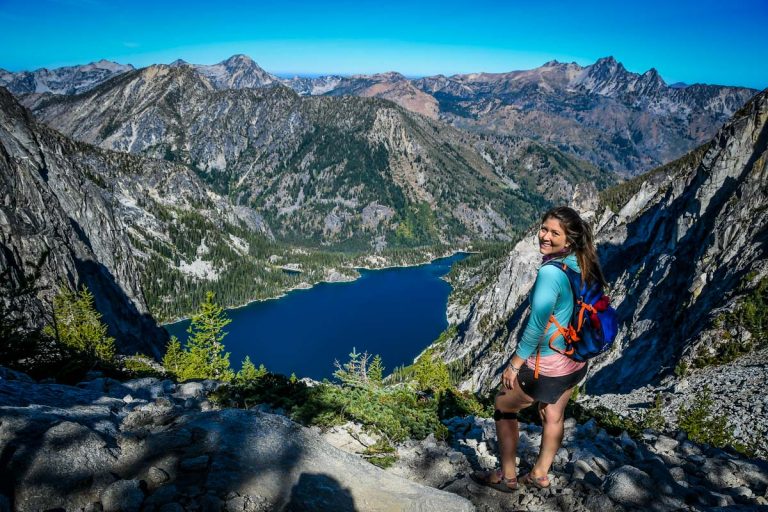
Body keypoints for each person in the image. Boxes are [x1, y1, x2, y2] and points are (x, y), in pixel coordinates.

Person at [473, 206, 607, 491]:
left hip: (548, 366)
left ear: (568, 239)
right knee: (553, 415)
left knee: (503, 405)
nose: (545, 236)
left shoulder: (550, 273)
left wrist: (514, 365)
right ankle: (539, 474)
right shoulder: (582, 262)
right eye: (544, 229)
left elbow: (536, 325)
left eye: (554, 233)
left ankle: (508, 477)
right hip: (575, 362)